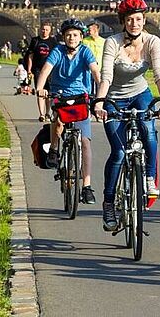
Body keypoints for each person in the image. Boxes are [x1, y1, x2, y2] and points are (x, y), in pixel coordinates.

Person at [93, 0, 160, 232]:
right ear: (123, 21)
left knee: (149, 131)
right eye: (130, 20)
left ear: (143, 20)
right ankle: (109, 204)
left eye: (138, 19)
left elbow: (159, 72)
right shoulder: (112, 43)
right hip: (114, 97)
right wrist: (100, 102)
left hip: (140, 94)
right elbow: (106, 75)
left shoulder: (152, 41)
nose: (134, 24)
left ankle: (148, 178)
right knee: (117, 152)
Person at [35, 19, 101, 205]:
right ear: (64, 37)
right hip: (59, 94)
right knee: (58, 121)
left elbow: (95, 71)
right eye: (68, 35)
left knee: (85, 142)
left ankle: (87, 186)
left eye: (75, 35)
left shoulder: (86, 52)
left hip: (81, 97)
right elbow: (46, 69)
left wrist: (102, 89)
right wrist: (40, 88)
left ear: (81, 37)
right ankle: (54, 151)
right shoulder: (58, 51)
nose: (72, 38)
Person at [26, 22, 58, 121]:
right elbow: (30, 55)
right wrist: (29, 69)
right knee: (40, 91)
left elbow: (57, 55)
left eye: (47, 30)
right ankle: (41, 114)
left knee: (48, 92)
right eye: (43, 29)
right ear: (40, 29)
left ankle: (47, 113)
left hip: (50, 70)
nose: (44, 31)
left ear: (50, 31)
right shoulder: (35, 40)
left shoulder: (53, 41)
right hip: (38, 69)